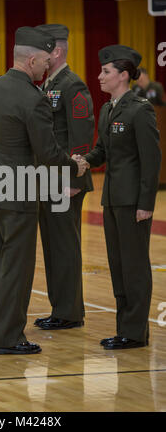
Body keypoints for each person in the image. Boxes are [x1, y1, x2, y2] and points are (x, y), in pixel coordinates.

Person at [0, 26, 89, 355]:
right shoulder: (33, 99)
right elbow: (47, 153)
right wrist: (75, 167)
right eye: (45, 60)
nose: (48, 66)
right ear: (31, 60)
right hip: (19, 192)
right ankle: (7, 338)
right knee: (16, 268)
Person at [82, 45, 161, 350]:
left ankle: (135, 332)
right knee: (117, 265)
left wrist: (146, 204)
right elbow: (103, 149)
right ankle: (126, 329)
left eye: (106, 71)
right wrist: (86, 160)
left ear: (124, 75)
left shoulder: (139, 109)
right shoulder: (108, 108)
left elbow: (151, 160)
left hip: (132, 202)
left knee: (134, 266)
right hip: (112, 199)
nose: (100, 76)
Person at [33, 23, 95, 331]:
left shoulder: (72, 85)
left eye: (43, 48)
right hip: (49, 179)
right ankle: (61, 308)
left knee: (65, 247)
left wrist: (74, 180)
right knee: (53, 246)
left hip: (65, 182)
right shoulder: (48, 85)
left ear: (56, 51)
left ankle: (69, 312)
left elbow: (82, 136)